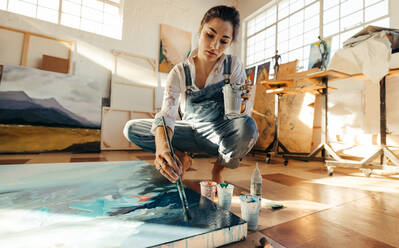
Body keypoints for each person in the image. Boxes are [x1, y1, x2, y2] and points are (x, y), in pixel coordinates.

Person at [123, 5, 259, 184]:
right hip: (187, 129)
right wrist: (163, 147)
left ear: (229, 42)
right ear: (200, 30)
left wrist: (241, 106)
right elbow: (167, 114)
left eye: (224, 41)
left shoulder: (233, 66)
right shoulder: (179, 72)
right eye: (210, 35)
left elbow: (239, 116)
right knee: (132, 128)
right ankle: (181, 155)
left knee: (248, 127)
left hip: (216, 135)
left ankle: (218, 168)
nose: (214, 46)